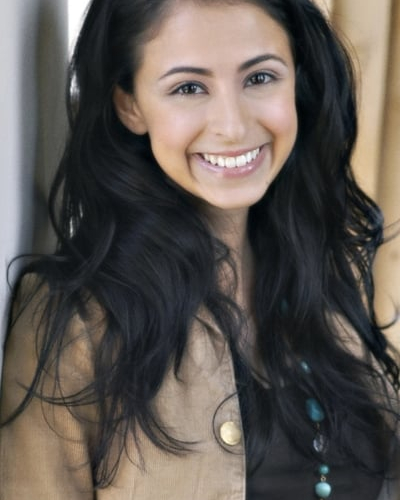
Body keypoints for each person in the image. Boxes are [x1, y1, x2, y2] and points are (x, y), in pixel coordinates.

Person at [1, 0, 399, 498]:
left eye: (260, 78)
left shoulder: (317, 275)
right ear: (129, 104)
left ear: (297, 79)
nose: (232, 125)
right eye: (189, 88)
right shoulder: (76, 323)